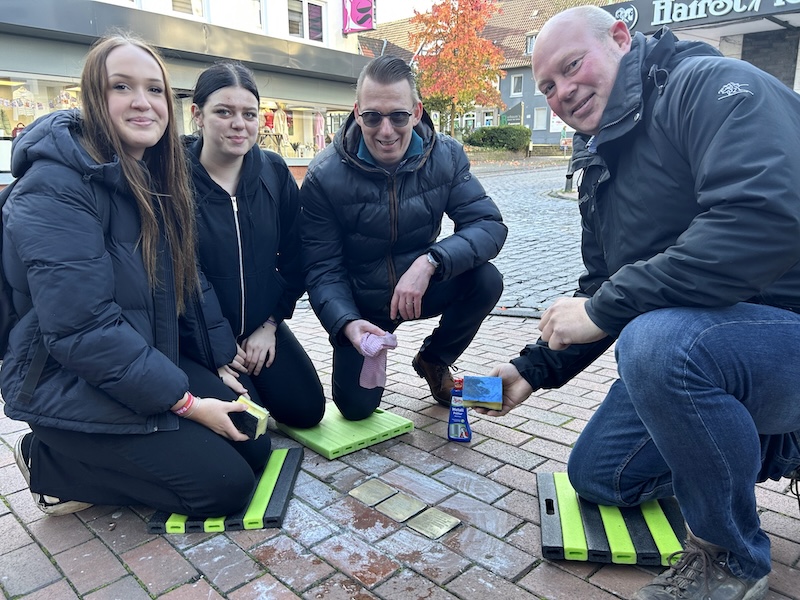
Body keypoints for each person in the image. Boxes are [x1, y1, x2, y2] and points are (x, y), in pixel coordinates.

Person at [483, 6, 800, 600]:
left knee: (653, 343)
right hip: (704, 346)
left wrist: (608, 309)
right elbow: (602, 285)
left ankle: (731, 557)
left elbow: (761, 219)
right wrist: (530, 370)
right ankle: (756, 442)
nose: (561, 93)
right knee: (598, 475)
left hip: (780, 336)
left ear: (621, 38)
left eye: (571, 67)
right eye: (547, 86)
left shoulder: (711, 89)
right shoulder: (600, 157)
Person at [2, 34, 270, 518]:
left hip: (134, 357)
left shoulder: (152, 174)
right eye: (121, 87)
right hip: (66, 379)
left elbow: (187, 282)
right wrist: (188, 403)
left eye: (154, 89)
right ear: (92, 97)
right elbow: (83, 332)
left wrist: (218, 360)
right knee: (224, 489)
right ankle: (49, 460)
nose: (142, 102)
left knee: (253, 444)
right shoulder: (53, 188)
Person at [300, 55, 507, 420]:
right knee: (355, 410)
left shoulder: (446, 155)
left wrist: (431, 261)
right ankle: (367, 349)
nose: (385, 131)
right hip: (363, 304)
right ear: (356, 112)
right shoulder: (323, 174)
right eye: (372, 117)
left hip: (421, 289)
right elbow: (321, 268)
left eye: (397, 116)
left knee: (486, 279)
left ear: (416, 111)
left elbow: (488, 225)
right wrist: (348, 323)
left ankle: (434, 359)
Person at [185, 61, 325, 429]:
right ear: (197, 114)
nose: (239, 124)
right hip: (200, 337)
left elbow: (297, 255)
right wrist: (215, 347)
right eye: (224, 112)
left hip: (257, 328)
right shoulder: (173, 178)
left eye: (249, 114)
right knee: (250, 427)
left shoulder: (273, 172)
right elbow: (180, 278)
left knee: (307, 411)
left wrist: (271, 324)